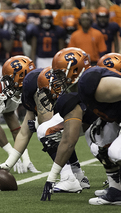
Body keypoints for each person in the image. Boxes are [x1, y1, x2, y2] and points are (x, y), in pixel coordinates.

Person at [0, 57, 88, 192]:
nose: (8, 84)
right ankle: (78, 175)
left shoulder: (34, 84)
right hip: (80, 114)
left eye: (10, 79)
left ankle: (68, 177)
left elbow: (48, 123)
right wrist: (8, 164)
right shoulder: (31, 86)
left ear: (21, 77)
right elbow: (24, 132)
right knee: (49, 130)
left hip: (84, 113)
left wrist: (38, 123)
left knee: (47, 131)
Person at [39, 47, 98, 201]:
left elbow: (69, 141)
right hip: (103, 118)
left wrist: (51, 178)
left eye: (59, 73)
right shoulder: (79, 86)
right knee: (47, 130)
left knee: (105, 148)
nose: (57, 79)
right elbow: (69, 139)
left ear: (74, 70)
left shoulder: (93, 80)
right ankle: (77, 178)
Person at [77, 53, 121, 205]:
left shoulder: (90, 82)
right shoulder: (87, 85)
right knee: (97, 137)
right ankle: (116, 190)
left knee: (116, 152)